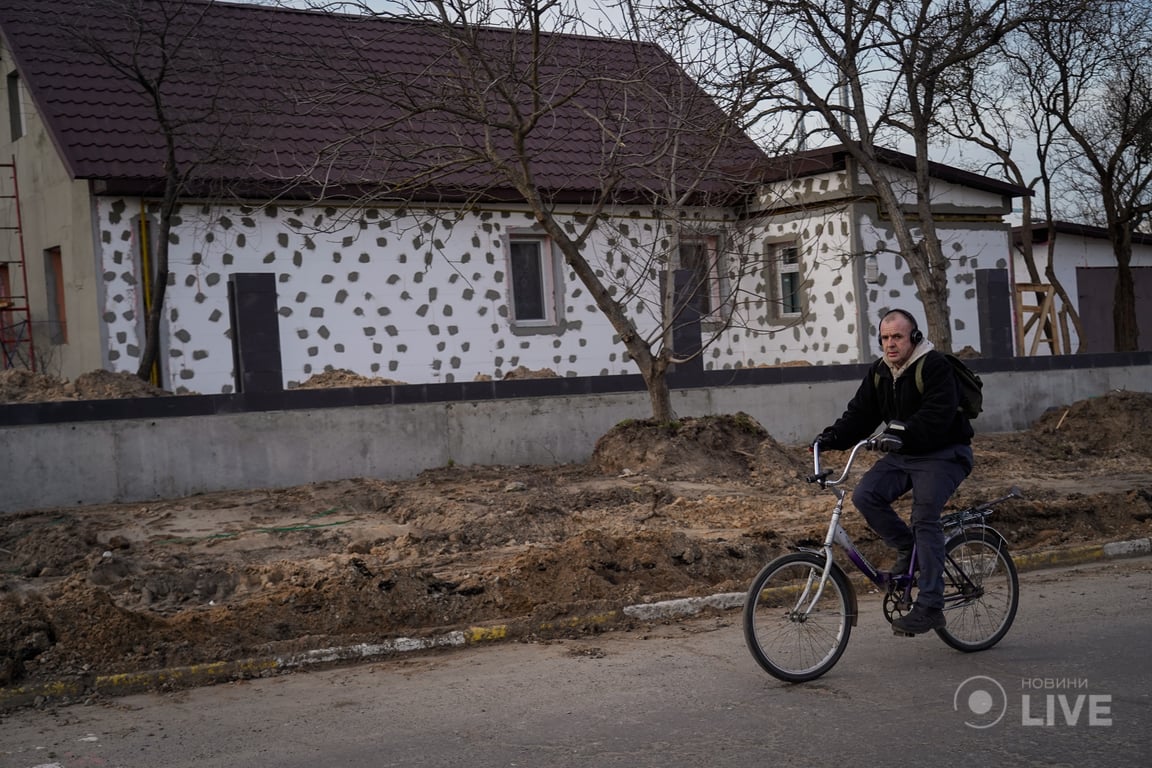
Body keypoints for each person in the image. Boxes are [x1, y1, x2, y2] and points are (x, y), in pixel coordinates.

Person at [814, 308, 974, 635]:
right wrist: (830, 438)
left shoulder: (935, 366)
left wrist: (900, 431)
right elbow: (859, 416)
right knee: (866, 495)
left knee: (924, 516)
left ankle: (930, 606)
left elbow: (936, 416)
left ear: (914, 337)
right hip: (905, 454)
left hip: (945, 453)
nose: (890, 344)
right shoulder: (880, 373)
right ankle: (908, 547)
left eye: (897, 337)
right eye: (885, 338)